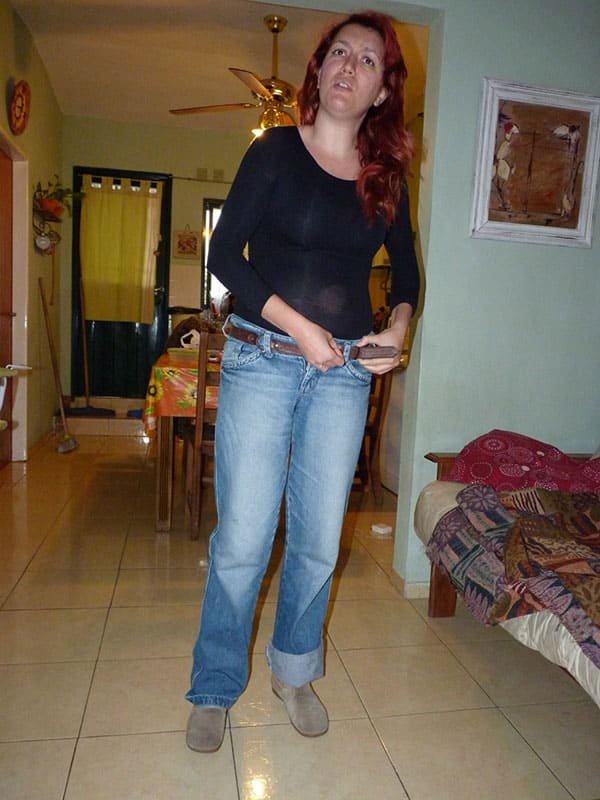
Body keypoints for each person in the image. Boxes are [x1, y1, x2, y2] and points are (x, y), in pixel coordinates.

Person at [185, 10, 420, 753]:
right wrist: (299, 326)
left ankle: (293, 671)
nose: (351, 66)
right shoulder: (275, 152)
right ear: (318, 70)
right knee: (243, 539)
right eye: (339, 53)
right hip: (262, 358)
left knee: (318, 542)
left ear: (383, 89)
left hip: (345, 377)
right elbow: (225, 255)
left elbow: (407, 274)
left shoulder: (386, 179)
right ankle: (215, 685)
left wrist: (396, 333)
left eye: (369, 60)